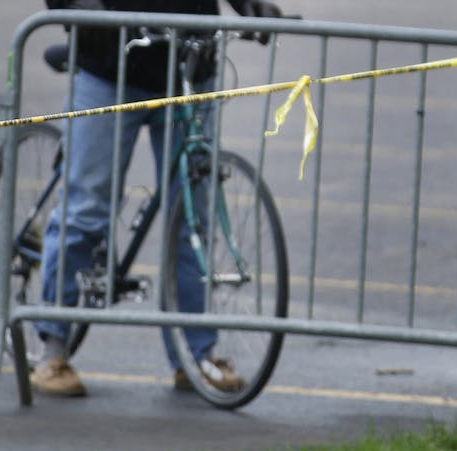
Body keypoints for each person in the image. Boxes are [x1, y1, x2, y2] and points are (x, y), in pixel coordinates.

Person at [32, 0, 283, 397]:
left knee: (192, 220)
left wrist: (252, 8)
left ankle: (196, 356)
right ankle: (52, 352)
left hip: (189, 67)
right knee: (87, 211)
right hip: (110, 68)